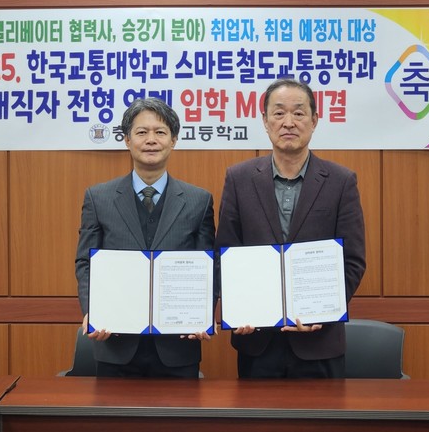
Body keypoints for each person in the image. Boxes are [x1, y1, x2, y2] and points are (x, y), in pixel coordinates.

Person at [216, 79, 366, 378]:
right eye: (278, 113)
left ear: (314, 120)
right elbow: (225, 255)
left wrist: (323, 311)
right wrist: (238, 306)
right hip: (257, 342)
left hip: (319, 342)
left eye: (298, 113)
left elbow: (352, 260)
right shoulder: (239, 179)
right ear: (265, 121)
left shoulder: (341, 181)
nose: (288, 122)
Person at [75, 97, 216, 378]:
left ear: (173, 140)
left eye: (160, 132)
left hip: (178, 346)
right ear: (127, 140)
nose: (151, 139)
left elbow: (209, 266)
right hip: (115, 343)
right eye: (141, 132)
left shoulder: (199, 200)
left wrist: (204, 314)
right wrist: (94, 310)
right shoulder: (98, 198)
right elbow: (85, 263)